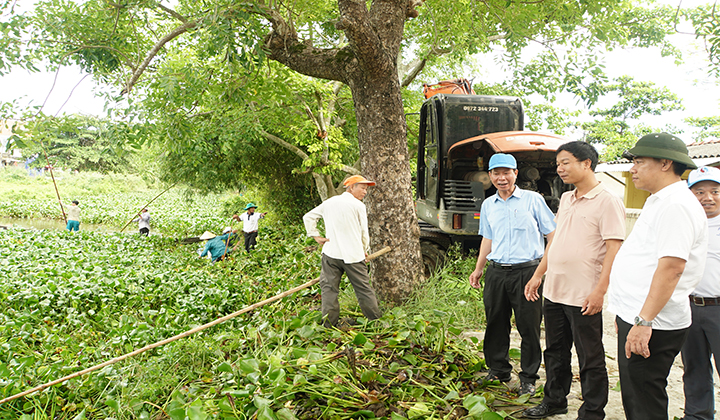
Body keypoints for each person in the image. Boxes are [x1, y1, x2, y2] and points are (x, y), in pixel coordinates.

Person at [607, 132, 708, 420]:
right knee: (635, 394)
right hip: (640, 315)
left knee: (644, 401)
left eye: (639, 161)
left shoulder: (677, 205)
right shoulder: (658, 200)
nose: (632, 169)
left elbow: (672, 268)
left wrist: (643, 320)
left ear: (665, 163)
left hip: (655, 321)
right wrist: (627, 313)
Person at [522, 142, 625, 419]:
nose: (560, 168)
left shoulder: (608, 200)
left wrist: (600, 291)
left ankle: (592, 411)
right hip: (555, 291)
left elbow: (614, 248)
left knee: (589, 356)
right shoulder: (567, 198)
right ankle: (555, 400)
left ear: (586, 163)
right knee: (555, 351)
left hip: (584, 294)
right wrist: (538, 274)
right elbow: (556, 242)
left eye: (565, 162)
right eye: (558, 163)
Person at [468, 153, 556, 396]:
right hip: (496, 273)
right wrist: (479, 268)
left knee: (528, 327)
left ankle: (528, 377)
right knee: (495, 322)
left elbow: (552, 236)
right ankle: (498, 370)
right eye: (496, 173)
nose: (501, 177)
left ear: (515, 174)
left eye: (506, 172)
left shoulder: (533, 200)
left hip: (527, 271)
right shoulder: (488, 205)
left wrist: (540, 272)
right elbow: (488, 237)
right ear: (490, 176)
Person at [302, 175, 383, 327]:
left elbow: (308, 217)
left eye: (366, 189)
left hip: (331, 254)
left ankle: (328, 325)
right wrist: (364, 250)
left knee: (329, 290)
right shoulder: (358, 206)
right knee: (364, 290)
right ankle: (376, 322)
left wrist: (315, 235)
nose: (365, 192)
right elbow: (364, 233)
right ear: (351, 187)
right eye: (362, 188)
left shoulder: (329, 203)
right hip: (353, 256)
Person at [682, 166, 720, 420]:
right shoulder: (686, 224)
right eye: (700, 192)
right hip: (689, 307)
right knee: (693, 367)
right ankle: (698, 416)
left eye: (715, 191)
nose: (708, 197)